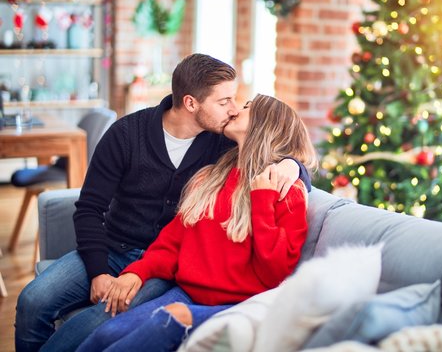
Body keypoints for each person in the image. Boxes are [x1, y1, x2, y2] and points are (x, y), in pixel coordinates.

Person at [15, 54, 310, 352]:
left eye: (236, 101)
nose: (233, 110)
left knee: (102, 318)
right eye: (224, 102)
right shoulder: (127, 134)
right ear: (191, 103)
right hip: (116, 248)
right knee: (32, 300)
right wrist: (98, 272)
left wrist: (294, 166)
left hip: (164, 262)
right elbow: (90, 208)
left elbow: (273, 144)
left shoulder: (222, 142)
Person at [76, 93, 317, 351]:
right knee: (107, 332)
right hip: (187, 293)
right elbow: (173, 241)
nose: (235, 110)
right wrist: (138, 271)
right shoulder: (212, 178)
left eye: (246, 107)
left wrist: (261, 200)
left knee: (165, 323)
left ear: (266, 124)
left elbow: (275, 272)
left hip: (236, 306)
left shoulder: (284, 192)